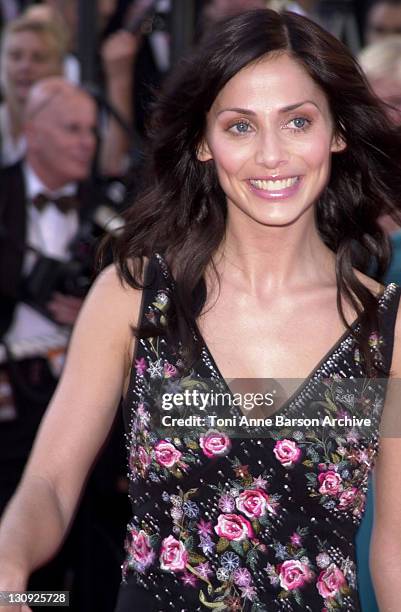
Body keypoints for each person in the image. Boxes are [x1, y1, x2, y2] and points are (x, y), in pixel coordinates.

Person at [1, 8, 401, 611]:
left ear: (337, 131)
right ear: (203, 142)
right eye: (240, 127)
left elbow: (394, 551)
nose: (272, 155)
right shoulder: (132, 296)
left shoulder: (385, 328)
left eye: (297, 121)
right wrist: (8, 565)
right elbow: (50, 483)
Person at [0, 16, 65, 167]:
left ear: (60, 68)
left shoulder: (73, 135)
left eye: (38, 58)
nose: (25, 67)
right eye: (15, 56)